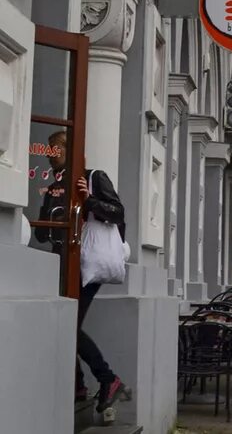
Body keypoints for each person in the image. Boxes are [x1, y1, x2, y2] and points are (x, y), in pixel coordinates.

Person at [36, 131, 129, 412]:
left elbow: (118, 213)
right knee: (66, 322)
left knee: (70, 325)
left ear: (71, 150)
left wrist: (87, 201)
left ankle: (108, 379)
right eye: (49, 151)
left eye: (56, 150)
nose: (51, 156)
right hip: (64, 262)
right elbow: (42, 233)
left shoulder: (94, 177)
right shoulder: (55, 186)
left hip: (87, 262)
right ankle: (79, 385)